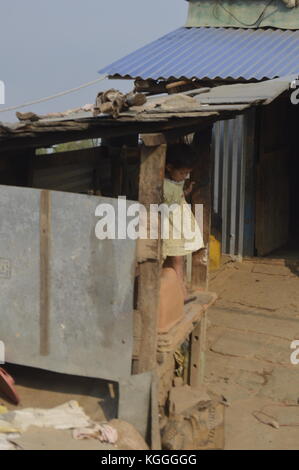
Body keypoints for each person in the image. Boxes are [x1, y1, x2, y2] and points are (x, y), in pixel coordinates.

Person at [162, 143, 204, 300]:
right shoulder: (161, 185)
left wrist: (185, 192)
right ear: (169, 167)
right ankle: (181, 294)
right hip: (170, 227)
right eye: (183, 172)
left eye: (188, 173)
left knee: (176, 260)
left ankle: (178, 291)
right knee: (177, 260)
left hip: (177, 227)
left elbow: (176, 197)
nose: (185, 176)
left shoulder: (171, 182)